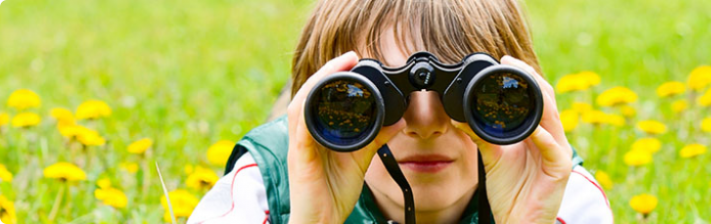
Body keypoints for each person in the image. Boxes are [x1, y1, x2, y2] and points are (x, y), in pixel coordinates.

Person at [187, 0, 613, 223]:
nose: (425, 124)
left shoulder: (557, 191)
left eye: (475, 96)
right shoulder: (267, 184)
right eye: (363, 100)